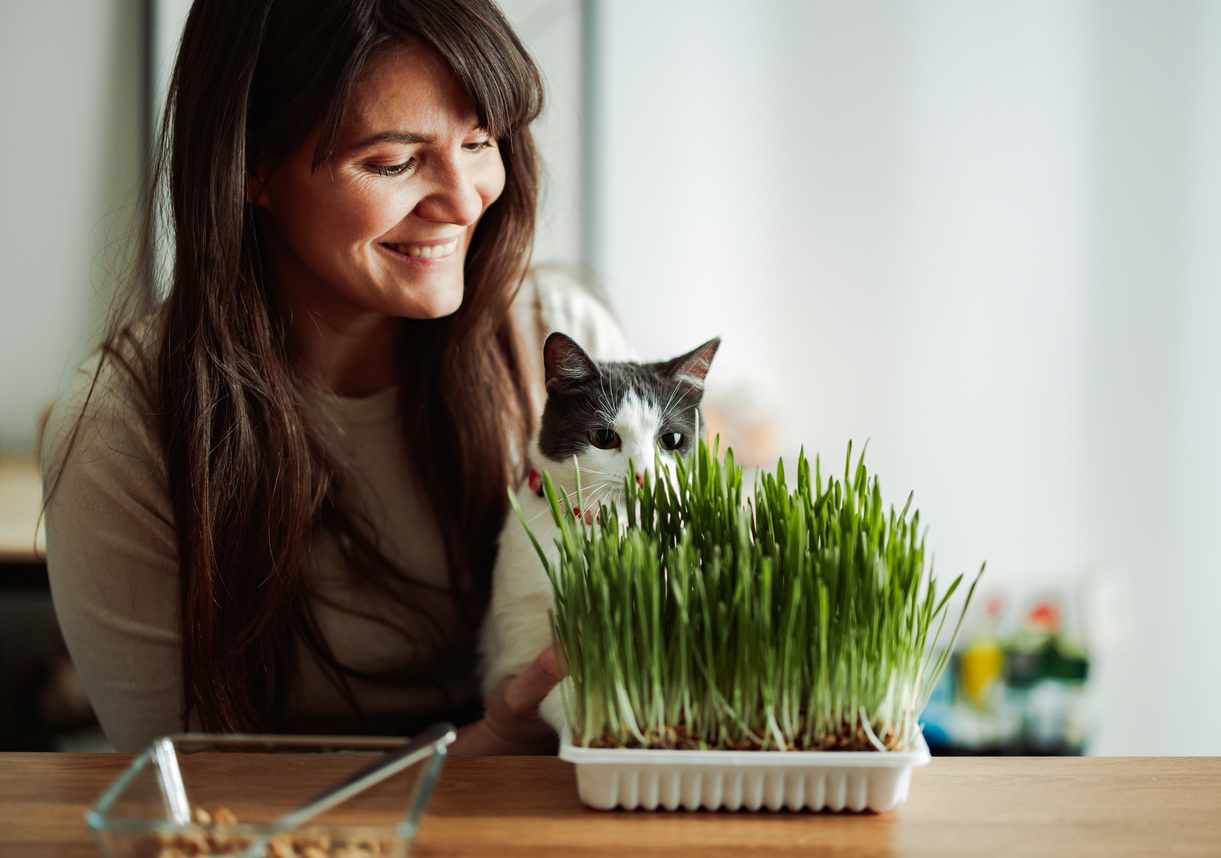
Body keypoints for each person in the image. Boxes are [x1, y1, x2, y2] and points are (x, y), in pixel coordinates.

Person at [40, 0, 634, 754]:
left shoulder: (554, 337)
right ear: (252, 164)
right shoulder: (123, 435)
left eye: (481, 141)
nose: (463, 200)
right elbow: (188, 797)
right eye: (393, 162)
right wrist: (492, 745)